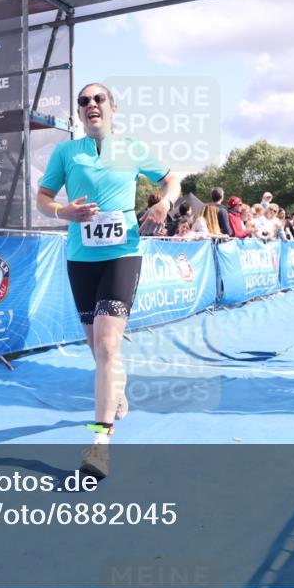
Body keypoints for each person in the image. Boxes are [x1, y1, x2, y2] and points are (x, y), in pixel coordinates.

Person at [37, 82, 180, 479]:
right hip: (81, 259)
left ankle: (100, 444)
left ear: (112, 107)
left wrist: (165, 203)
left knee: (106, 343)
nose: (91, 105)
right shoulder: (66, 152)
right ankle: (117, 388)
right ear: (79, 112)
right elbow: (43, 198)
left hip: (122, 254)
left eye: (98, 99)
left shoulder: (133, 147)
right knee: (97, 347)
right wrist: (62, 211)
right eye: (83, 101)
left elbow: (172, 180)